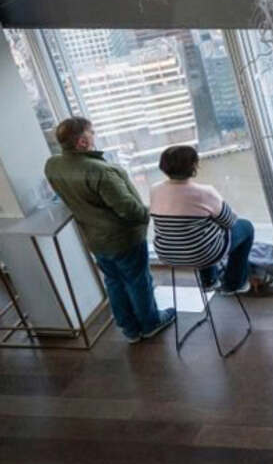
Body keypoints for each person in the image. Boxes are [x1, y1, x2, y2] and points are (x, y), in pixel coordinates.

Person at [43, 117, 176, 343]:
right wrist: (153, 213)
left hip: (94, 239)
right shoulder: (100, 171)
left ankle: (130, 329)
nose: (94, 136)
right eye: (91, 132)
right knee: (137, 280)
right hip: (123, 238)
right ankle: (151, 324)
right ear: (83, 142)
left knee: (114, 281)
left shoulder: (52, 165)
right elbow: (128, 209)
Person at [149, 145, 254, 295]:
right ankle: (234, 283)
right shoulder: (205, 192)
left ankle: (209, 281)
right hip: (202, 254)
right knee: (246, 227)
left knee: (196, 230)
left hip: (166, 254)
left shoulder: (155, 189)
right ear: (193, 166)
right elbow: (230, 222)